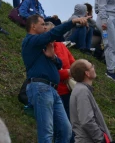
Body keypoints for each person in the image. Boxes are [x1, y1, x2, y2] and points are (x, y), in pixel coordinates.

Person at [22, 14, 88, 143]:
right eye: (42, 24)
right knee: (46, 131)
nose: (45, 27)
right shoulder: (31, 40)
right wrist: (72, 22)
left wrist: (52, 57)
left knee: (65, 129)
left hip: (52, 89)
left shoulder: (41, 45)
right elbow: (53, 33)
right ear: (33, 26)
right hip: (40, 87)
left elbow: (58, 65)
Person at [69, 59, 114, 143]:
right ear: (87, 73)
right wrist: (102, 139)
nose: (94, 67)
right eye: (91, 66)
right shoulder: (82, 91)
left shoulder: (81, 90)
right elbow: (87, 121)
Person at [44, 22, 76, 122]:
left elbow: (73, 62)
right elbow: (50, 73)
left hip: (70, 89)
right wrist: (68, 73)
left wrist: (72, 72)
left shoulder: (61, 46)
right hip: (56, 92)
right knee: (64, 122)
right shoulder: (43, 49)